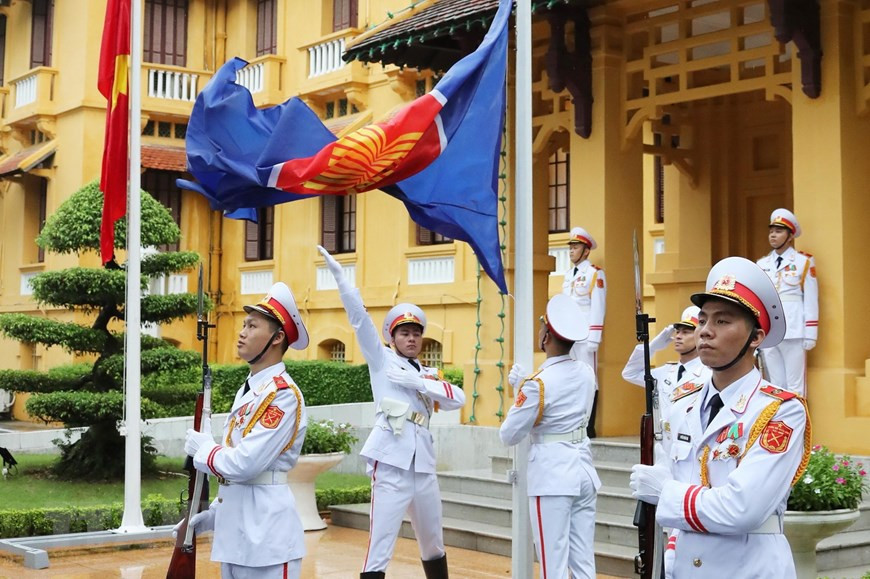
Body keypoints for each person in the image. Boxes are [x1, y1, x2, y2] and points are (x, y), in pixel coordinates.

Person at [629, 257, 811, 577]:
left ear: (755, 338)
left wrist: (666, 494)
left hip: (747, 567)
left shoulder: (780, 411)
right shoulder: (682, 401)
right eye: (703, 320)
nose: (705, 332)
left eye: (722, 322)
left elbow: (742, 508)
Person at [317, 245, 466, 579]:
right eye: (404, 333)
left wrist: (420, 383)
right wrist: (343, 282)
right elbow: (359, 321)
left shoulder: (425, 373)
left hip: (423, 466)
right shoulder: (382, 362)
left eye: (416, 333)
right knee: (379, 547)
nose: (411, 338)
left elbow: (458, 397)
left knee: (434, 543)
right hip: (392, 466)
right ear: (392, 337)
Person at [177, 282, 310, 579]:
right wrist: (212, 514)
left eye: (252, 326)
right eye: (244, 324)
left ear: (276, 338)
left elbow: (245, 464)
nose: (242, 332)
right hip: (236, 536)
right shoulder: (250, 389)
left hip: (268, 539)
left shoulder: (282, 395)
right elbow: (233, 469)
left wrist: (204, 449)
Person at [499, 294, 600, 579]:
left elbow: (508, 434)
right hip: (583, 470)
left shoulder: (537, 384)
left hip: (553, 475)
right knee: (583, 562)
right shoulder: (585, 372)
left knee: (552, 565)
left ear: (545, 338)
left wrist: (520, 389)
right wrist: (524, 386)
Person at [622, 306, 710, 453]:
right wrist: (652, 347)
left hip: (693, 449)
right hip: (663, 448)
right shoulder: (666, 372)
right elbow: (629, 373)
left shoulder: (708, 373)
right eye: (678, 331)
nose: (678, 336)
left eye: (686, 332)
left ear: (700, 336)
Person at [756, 208, 818, 396]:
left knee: (796, 385)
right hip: (770, 331)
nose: (773, 235)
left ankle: (798, 425)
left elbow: (811, 299)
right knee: (775, 384)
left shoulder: (803, 262)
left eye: (779, 231)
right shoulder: (762, 264)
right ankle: (780, 424)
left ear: (790, 236)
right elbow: (759, 302)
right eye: (771, 231)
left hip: (794, 330)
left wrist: (811, 333)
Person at [561, 226, 606, 437]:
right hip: (567, 335)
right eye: (570, 246)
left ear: (586, 251)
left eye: (575, 246)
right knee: (571, 377)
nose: (571, 250)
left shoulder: (594, 273)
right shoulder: (568, 275)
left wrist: (594, 337)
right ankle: (574, 421)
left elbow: (598, 306)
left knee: (589, 378)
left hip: (586, 336)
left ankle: (588, 425)